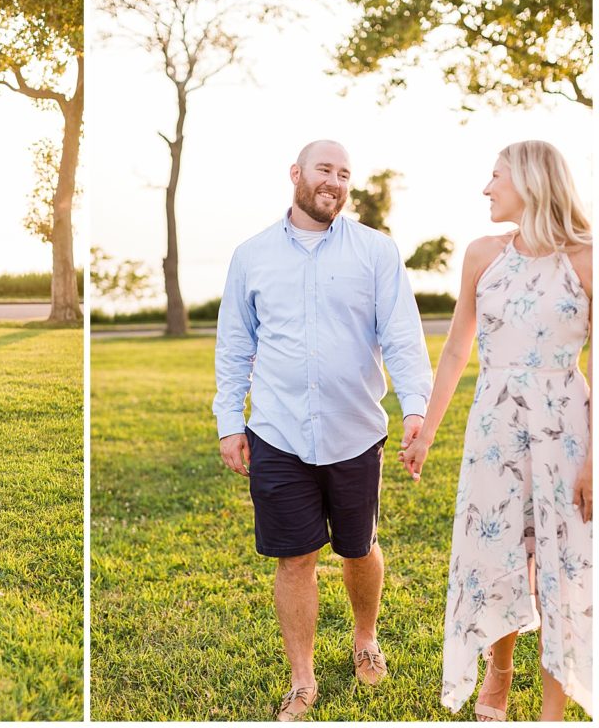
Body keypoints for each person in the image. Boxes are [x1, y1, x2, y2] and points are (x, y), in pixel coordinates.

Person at [213, 140, 432, 721]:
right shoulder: (251, 255)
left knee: (359, 548)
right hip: (278, 434)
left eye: (344, 173)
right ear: (296, 175)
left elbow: (404, 337)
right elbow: (235, 344)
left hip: (356, 432)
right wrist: (229, 421)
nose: (334, 181)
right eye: (324, 170)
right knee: (295, 558)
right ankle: (303, 679)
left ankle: (365, 640)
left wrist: (415, 408)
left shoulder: (376, 251)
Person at [401, 141, 592, 721]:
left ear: (531, 182)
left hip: (567, 427)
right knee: (496, 552)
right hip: (495, 425)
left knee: (563, 561)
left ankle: (553, 709)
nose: (487, 188)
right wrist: (428, 431)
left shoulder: (587, 259)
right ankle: (498, 674)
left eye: (496, 176)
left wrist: (595, 460)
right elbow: (459, 345)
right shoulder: (482, 254)